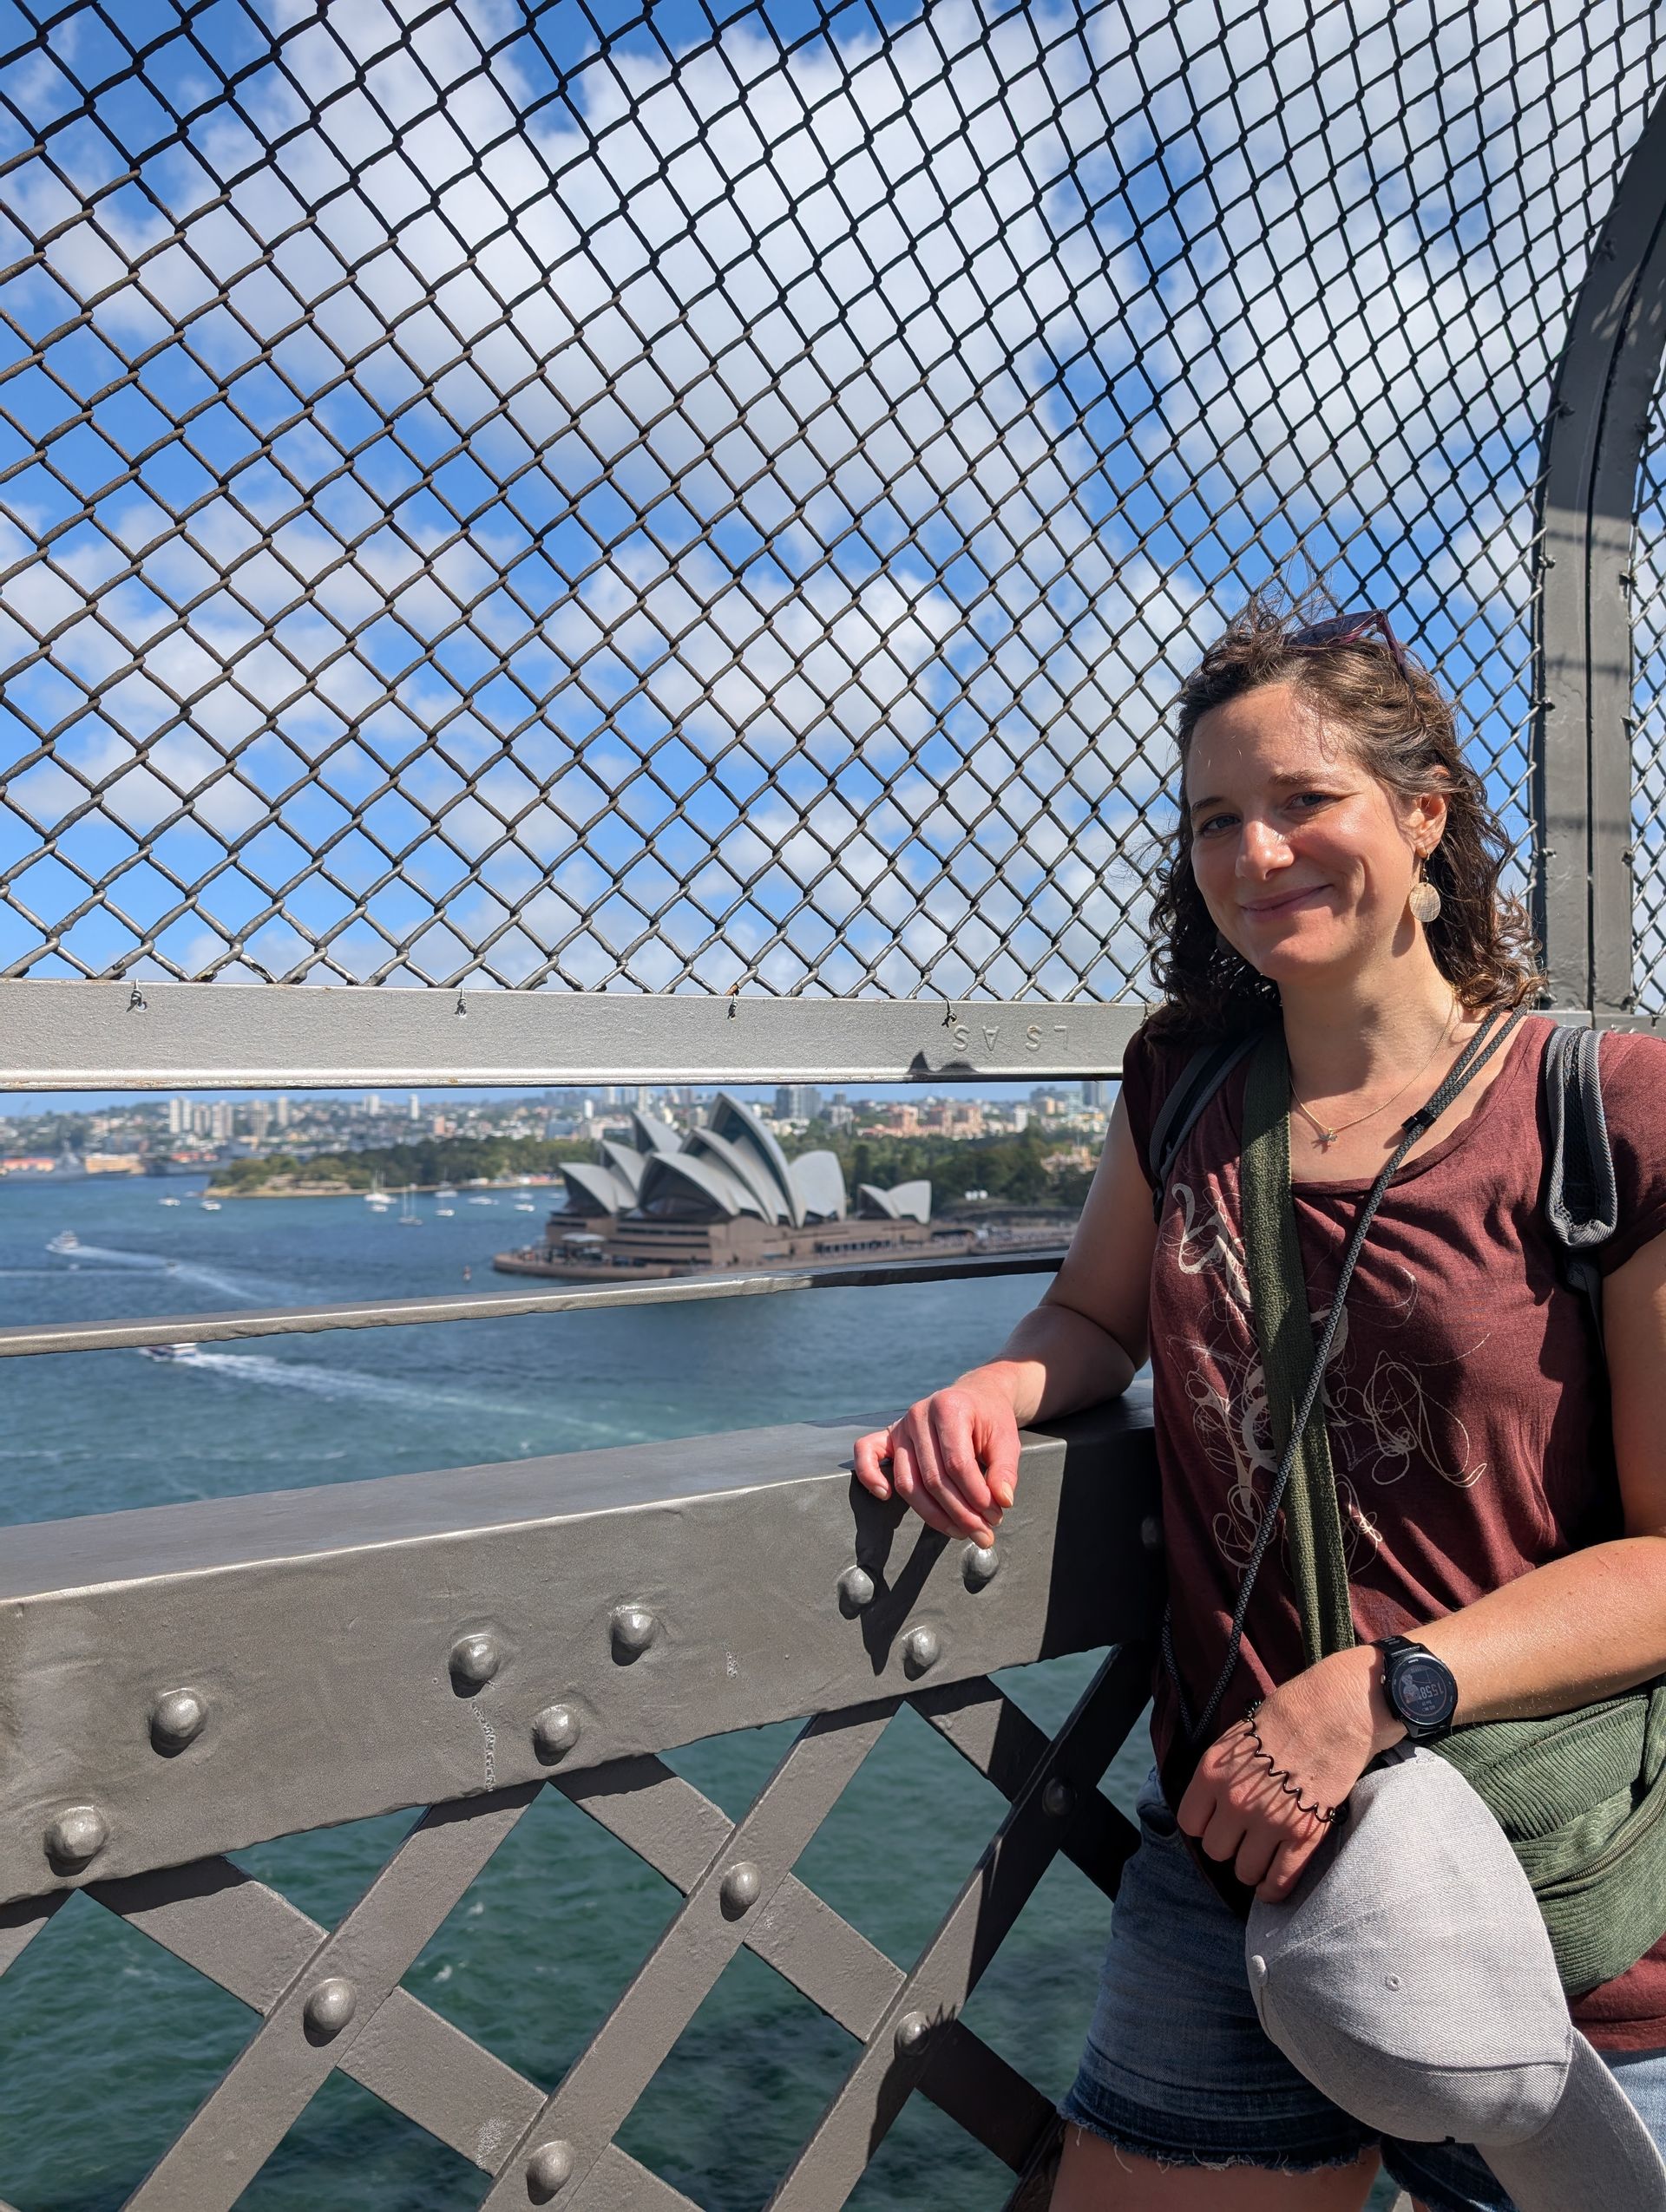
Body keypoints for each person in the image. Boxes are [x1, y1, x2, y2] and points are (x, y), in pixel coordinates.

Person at [852, 600, 1666, 2211]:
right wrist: (1005, 1380)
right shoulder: (1188, 1081)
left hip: (1533, 1865)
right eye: (1216, 819)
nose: (1257, 851)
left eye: (1304, 799)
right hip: (1232, 1843)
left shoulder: (1607, 1106)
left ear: (1423, 816)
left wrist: (1385, 1689)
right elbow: (1097, 1314)